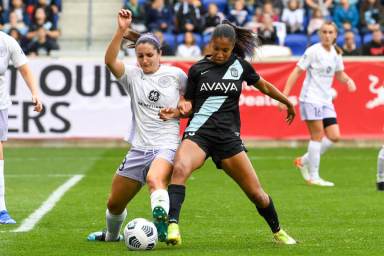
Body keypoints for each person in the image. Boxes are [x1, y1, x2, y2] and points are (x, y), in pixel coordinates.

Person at [160, 20, 297, 245]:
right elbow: (190, 105)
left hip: (227, 138)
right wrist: (177, 111)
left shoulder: (241, 66)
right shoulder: (197, 69)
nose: (221, 54)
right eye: (216, 49)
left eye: (225, 50)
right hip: (199, 133)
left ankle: (278, 230)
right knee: (181, 167)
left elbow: (264, 86)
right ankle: (172, 225)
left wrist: (287, 102)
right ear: (211, 44)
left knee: (256, 194)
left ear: (232, 47)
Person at [87, 9, 187, 243]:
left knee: (155, 179)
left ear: (159, 53)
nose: (145, 60)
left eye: (149, 55)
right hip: (139, 148)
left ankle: (162, 225)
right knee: (114, 203)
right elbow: (110, 60)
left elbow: (192, 101)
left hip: (167, 146)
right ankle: (112, 235)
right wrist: (121, 31)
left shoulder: (176, 75)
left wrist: (183, 107)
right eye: (140, 56)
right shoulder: (132, 76)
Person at [280, 21, 357, 187]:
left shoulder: (336, 53)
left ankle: (303, 160)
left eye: (330, 32)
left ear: (335, 35)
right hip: (310, 98)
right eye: (324, 32)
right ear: (320, 34)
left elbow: (340, 74)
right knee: (317, 136)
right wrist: (284, 96)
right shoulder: (313, 51)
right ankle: (314, 177)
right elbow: (296, 72)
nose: (327, 35)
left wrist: (348, 80)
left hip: (325, 100)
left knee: (335, 136)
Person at [0, 31, 43, 224]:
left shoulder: (7, 42)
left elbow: (25, 69)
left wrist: (35, 93)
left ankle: (1, 208)